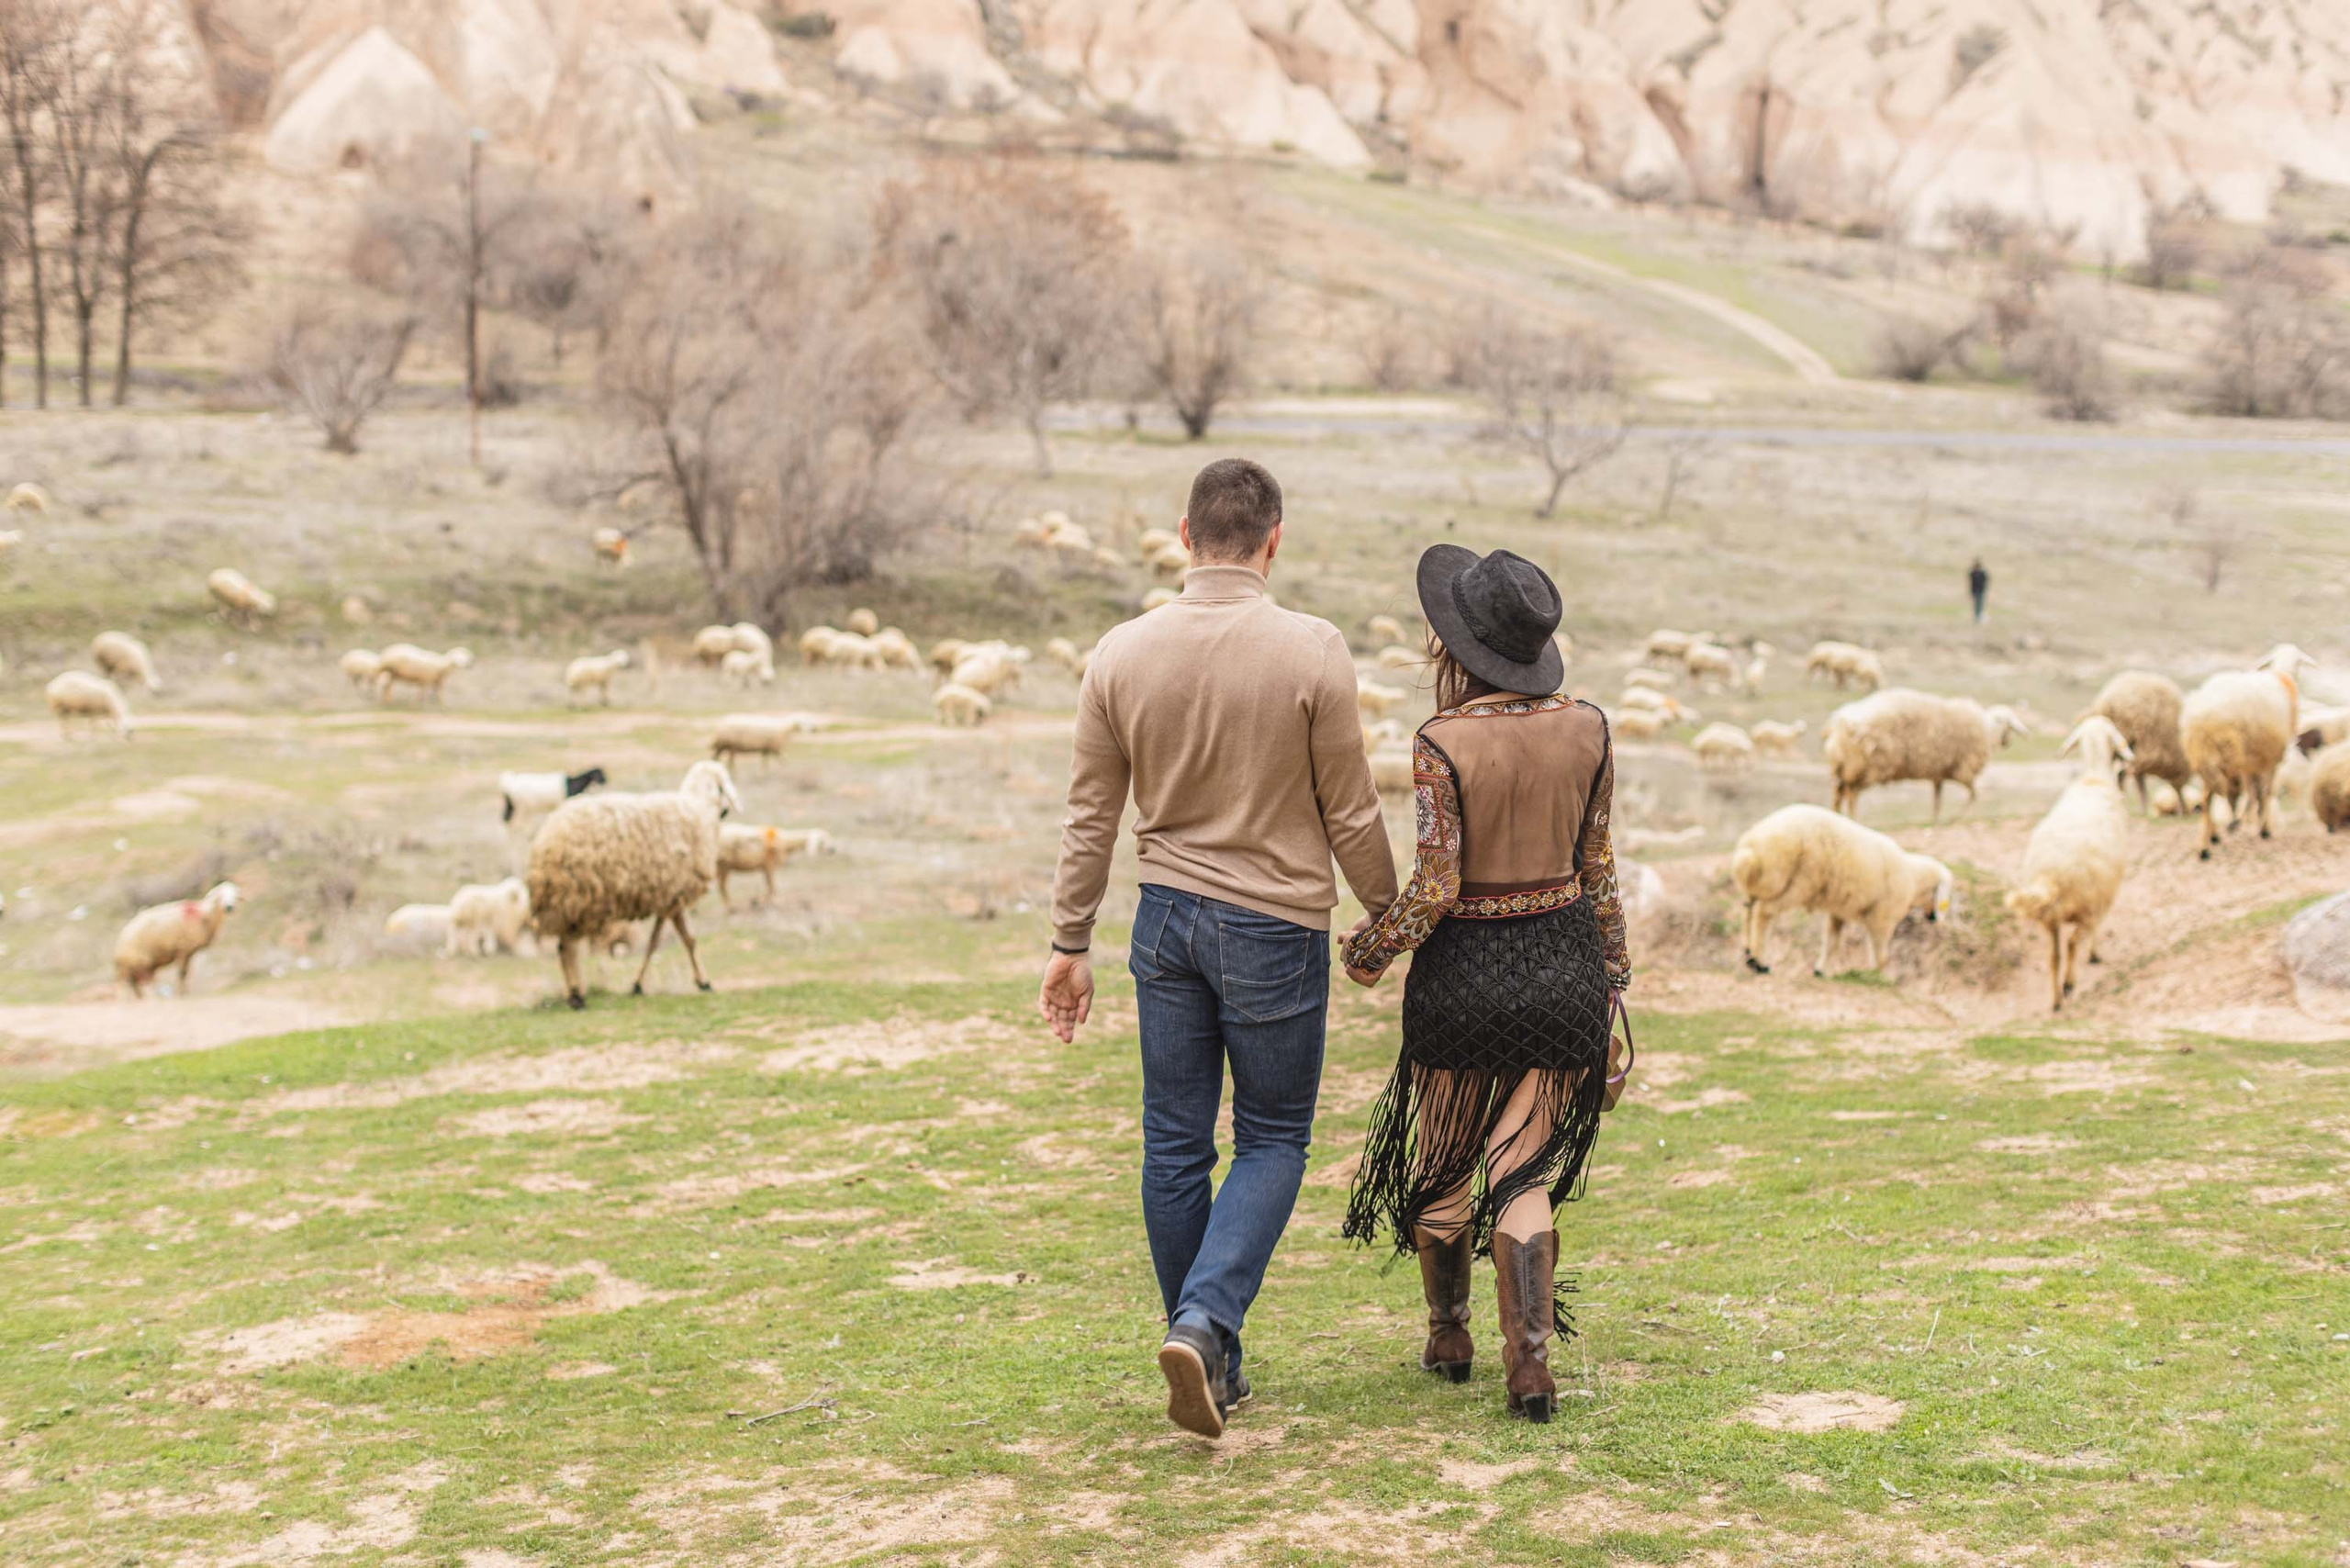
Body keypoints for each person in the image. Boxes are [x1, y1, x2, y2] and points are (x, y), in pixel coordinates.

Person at [1040, 457, 1398, 1439]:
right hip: (1275, 924)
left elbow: (1089, 817)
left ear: (1183, 534)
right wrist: (1390, 915)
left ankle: (1207, 1355)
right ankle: (1202, 1324)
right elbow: (1351, 807)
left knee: (1173, 1143)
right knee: (1274, 1135)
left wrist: (1070, 939)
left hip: (1163, 921)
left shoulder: (1119, 652)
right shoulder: (1312, 649)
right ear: (1274, 539)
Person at [1339, 545, 1629, 1425]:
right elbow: (1600, 868)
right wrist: (1613, 981)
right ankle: (1531, 1366)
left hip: (1463, 980)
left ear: (1458, 648)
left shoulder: (1441, 744)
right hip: (1564, 970)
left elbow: (1435, 888)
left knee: (1443, 1163)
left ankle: (1449, 1332)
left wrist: (1370, 949)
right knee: (1523, 1168)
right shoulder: (1592, 727)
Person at [1968, 557, 1989, 624]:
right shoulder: (1973, 573)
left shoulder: (1982, 573)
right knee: (1976, 604)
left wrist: (1984, 589)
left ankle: (1979, 616)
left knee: (1980, 604)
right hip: (1975, 590)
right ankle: (1976, 616)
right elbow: (1971, 582)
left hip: (1981, 590)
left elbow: (1985, 581)